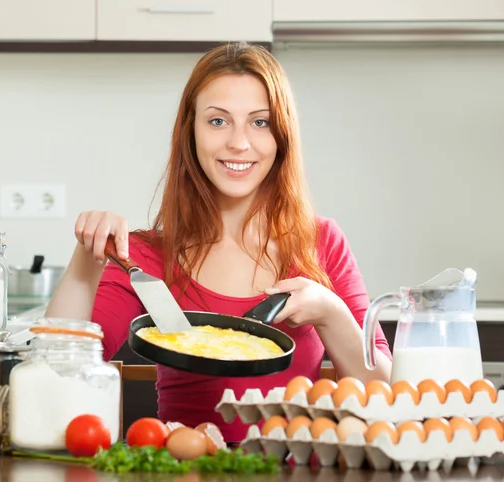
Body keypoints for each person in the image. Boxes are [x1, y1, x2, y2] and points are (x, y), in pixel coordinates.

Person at [45, 41, 392, 442]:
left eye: (260, 122)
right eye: (218, 121)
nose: (239, 143)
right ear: (190, 131)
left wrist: (330, 313)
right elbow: (57, 374)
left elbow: (384, 399)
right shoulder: (144, 256)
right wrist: (87, 259)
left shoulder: (322, 243)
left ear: (282, 137)